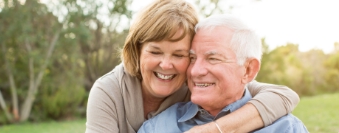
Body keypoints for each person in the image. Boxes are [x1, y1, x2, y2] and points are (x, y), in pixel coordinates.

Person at [85, 0, 300, 133]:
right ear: (137, 50)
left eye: (180, 55)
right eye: (155, 51)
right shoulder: (110, 91)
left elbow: (283, 95)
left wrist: (216, 130)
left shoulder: (197, 83)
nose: (166, 64)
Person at [138, 15, 308, 133]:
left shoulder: (286, 128)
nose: (195, 71)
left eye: (212, 58)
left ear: (248, 70)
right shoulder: (157, 128)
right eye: (192, 58)